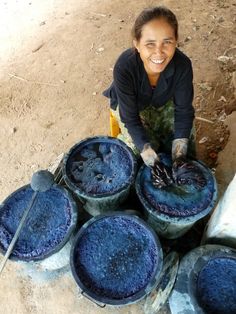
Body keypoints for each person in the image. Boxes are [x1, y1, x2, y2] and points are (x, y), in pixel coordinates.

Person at [103, 6, 198, 188]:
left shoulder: (182, 65)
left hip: (161, 101)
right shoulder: (125, 67)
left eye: (167, 42)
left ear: (176, 41)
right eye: (150, 44)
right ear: (137, 44)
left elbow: (184, 112)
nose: (159, 52)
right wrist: (149, 155)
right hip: (131, 108)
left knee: (186, 133)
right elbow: (130, 119)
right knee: (135, 147)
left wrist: (179, 157)